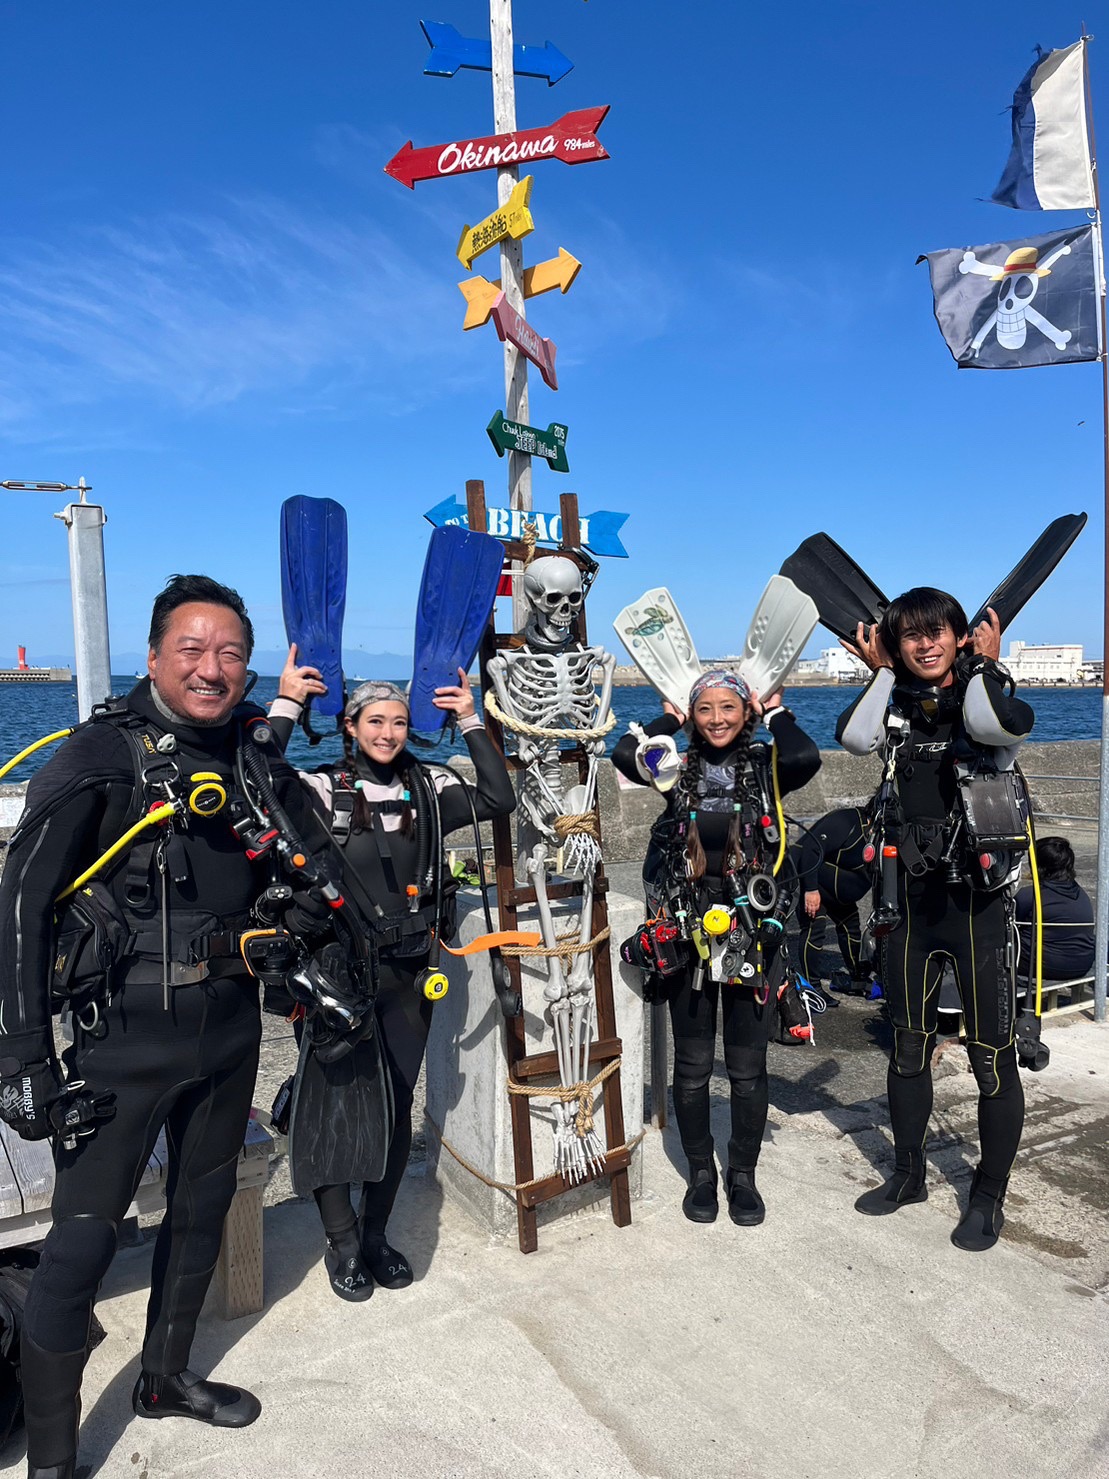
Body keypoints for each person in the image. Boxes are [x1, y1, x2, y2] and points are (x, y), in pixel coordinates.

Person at [0, 575, 339, 1479]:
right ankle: (54, 1461)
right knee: (80, 1244)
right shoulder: (99, 757)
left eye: (230, 653)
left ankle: (164, 1378)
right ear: (152, 658)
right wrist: (22, 1055)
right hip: (122, 1042)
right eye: (191, 649)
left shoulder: (252, 757)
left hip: (228, 1030)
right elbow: (21, 904)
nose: (210, 668)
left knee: (200, 1211)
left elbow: (313, 854)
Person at [270, 653, 514, 1300]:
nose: (387, 733)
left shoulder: (428, 791)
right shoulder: (321, 791)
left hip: (407, 972)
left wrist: (470, 718)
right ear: (350, 726)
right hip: (335, 977)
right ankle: (343, 1241)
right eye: (374, 721)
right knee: (334, 1109)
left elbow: (499, 797)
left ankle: (375, 1234)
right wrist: (287, 704)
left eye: (399, 721)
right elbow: (258, 782)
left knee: (396, 1105)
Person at [838, 590, 1034, 1251]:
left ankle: (987, 1195)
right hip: (910, 909)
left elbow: (992, 724)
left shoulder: (989, 699)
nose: (926, 644)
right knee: (906, 1047)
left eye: (938, 631)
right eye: (911, 636)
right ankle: (907, 1174)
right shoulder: (894, 709)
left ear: (960, 635)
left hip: (978, 909)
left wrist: (983, 666)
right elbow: (853, 737)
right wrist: (880, 672)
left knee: (990, 1059)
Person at [613, 670, 820, 1227]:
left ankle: (742, 1175)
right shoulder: (674, 770)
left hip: (752, 932)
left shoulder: (765, 769)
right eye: (704, 709)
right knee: (693, 1065)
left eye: (729, 707)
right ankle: (702, 1173)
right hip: (689, 935)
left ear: (745, 710)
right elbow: (624, 754)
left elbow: (806, 757)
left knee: (748, 1068)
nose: (717, 719)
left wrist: (775, 712)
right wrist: (670, 718)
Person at [789, 805, 875, 998]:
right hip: (812, 880)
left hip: (836, 892)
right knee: (815, 928)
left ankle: (858, 978)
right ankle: (812, 988)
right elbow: (811, 850)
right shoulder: (847, 820)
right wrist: (811, 890)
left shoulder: (879, 834)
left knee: (851, 926)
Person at [1014, 835, 1094, 986]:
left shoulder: (1030, 895)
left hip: (1047, 966)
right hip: (1082, 965)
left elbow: (1008, 927)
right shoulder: (1081, 895)